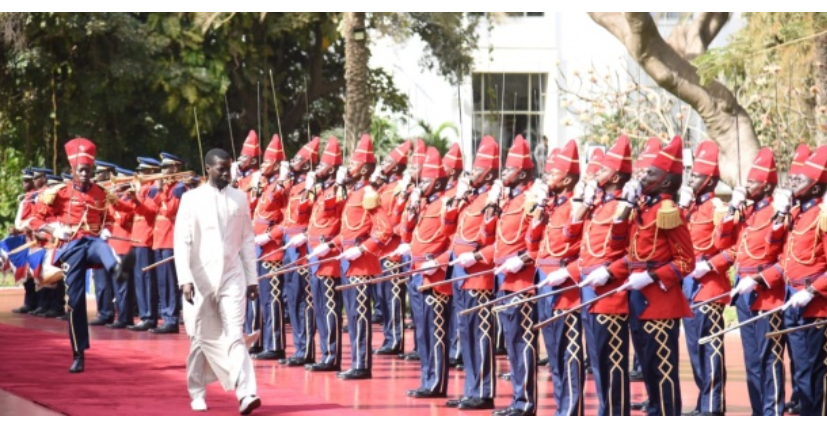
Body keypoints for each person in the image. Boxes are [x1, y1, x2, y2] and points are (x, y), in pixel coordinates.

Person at [174, 148, 261, 415]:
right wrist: (185, 279)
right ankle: (197, 390)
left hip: (232, 275)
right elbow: (182, 240)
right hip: (199, 278)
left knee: (235, 335)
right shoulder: (191, 199)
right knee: (201, 337)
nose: (227, 173)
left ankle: (246, 393)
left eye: (229, 168)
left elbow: (247, 239)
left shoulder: (240, 198)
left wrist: (251, 279)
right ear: (208, 169)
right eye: (221, 169)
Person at [29, 138, 119, 373]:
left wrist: (108, 228)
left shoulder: (101, 193)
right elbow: (36, 219)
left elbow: (108, 217)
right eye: (82, 170)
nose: (87, 174)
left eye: (89, 170)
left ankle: (117, 269)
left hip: (93, 243)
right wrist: (54, 229)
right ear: (73, 171)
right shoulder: (58, 193)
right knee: (75, 302)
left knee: (100, 246)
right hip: (71, 247)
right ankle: (78, 353)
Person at [679, 140, 729, 416]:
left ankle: (712, 404)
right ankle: (703, 400)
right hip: (686, 285)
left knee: (709, 348)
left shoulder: (717, 208)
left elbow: (731, 248)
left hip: (708, 284)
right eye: (691, 174)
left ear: (709, 180)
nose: (691, 179)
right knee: (694, 349)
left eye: (697, 176)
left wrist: (709, 265)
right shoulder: (687, 207)